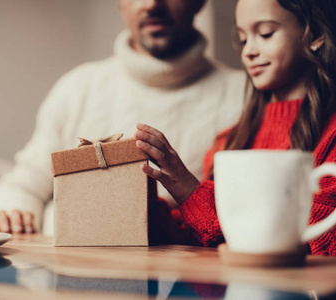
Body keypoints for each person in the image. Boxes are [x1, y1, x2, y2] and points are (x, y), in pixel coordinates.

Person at [0, 0, 246, 234]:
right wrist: (14, 204)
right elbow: (26, 182)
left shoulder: (245, 97)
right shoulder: (78, 88)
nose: (152, 4)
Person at [135, 0, 336, 255]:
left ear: (316, 35)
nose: (249, 51)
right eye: (243, 39)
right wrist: (147, 209)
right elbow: (207, 240)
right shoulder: (228, 141)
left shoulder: (331, 135)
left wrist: (191, 192)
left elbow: (326, 240)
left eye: (265, 34)